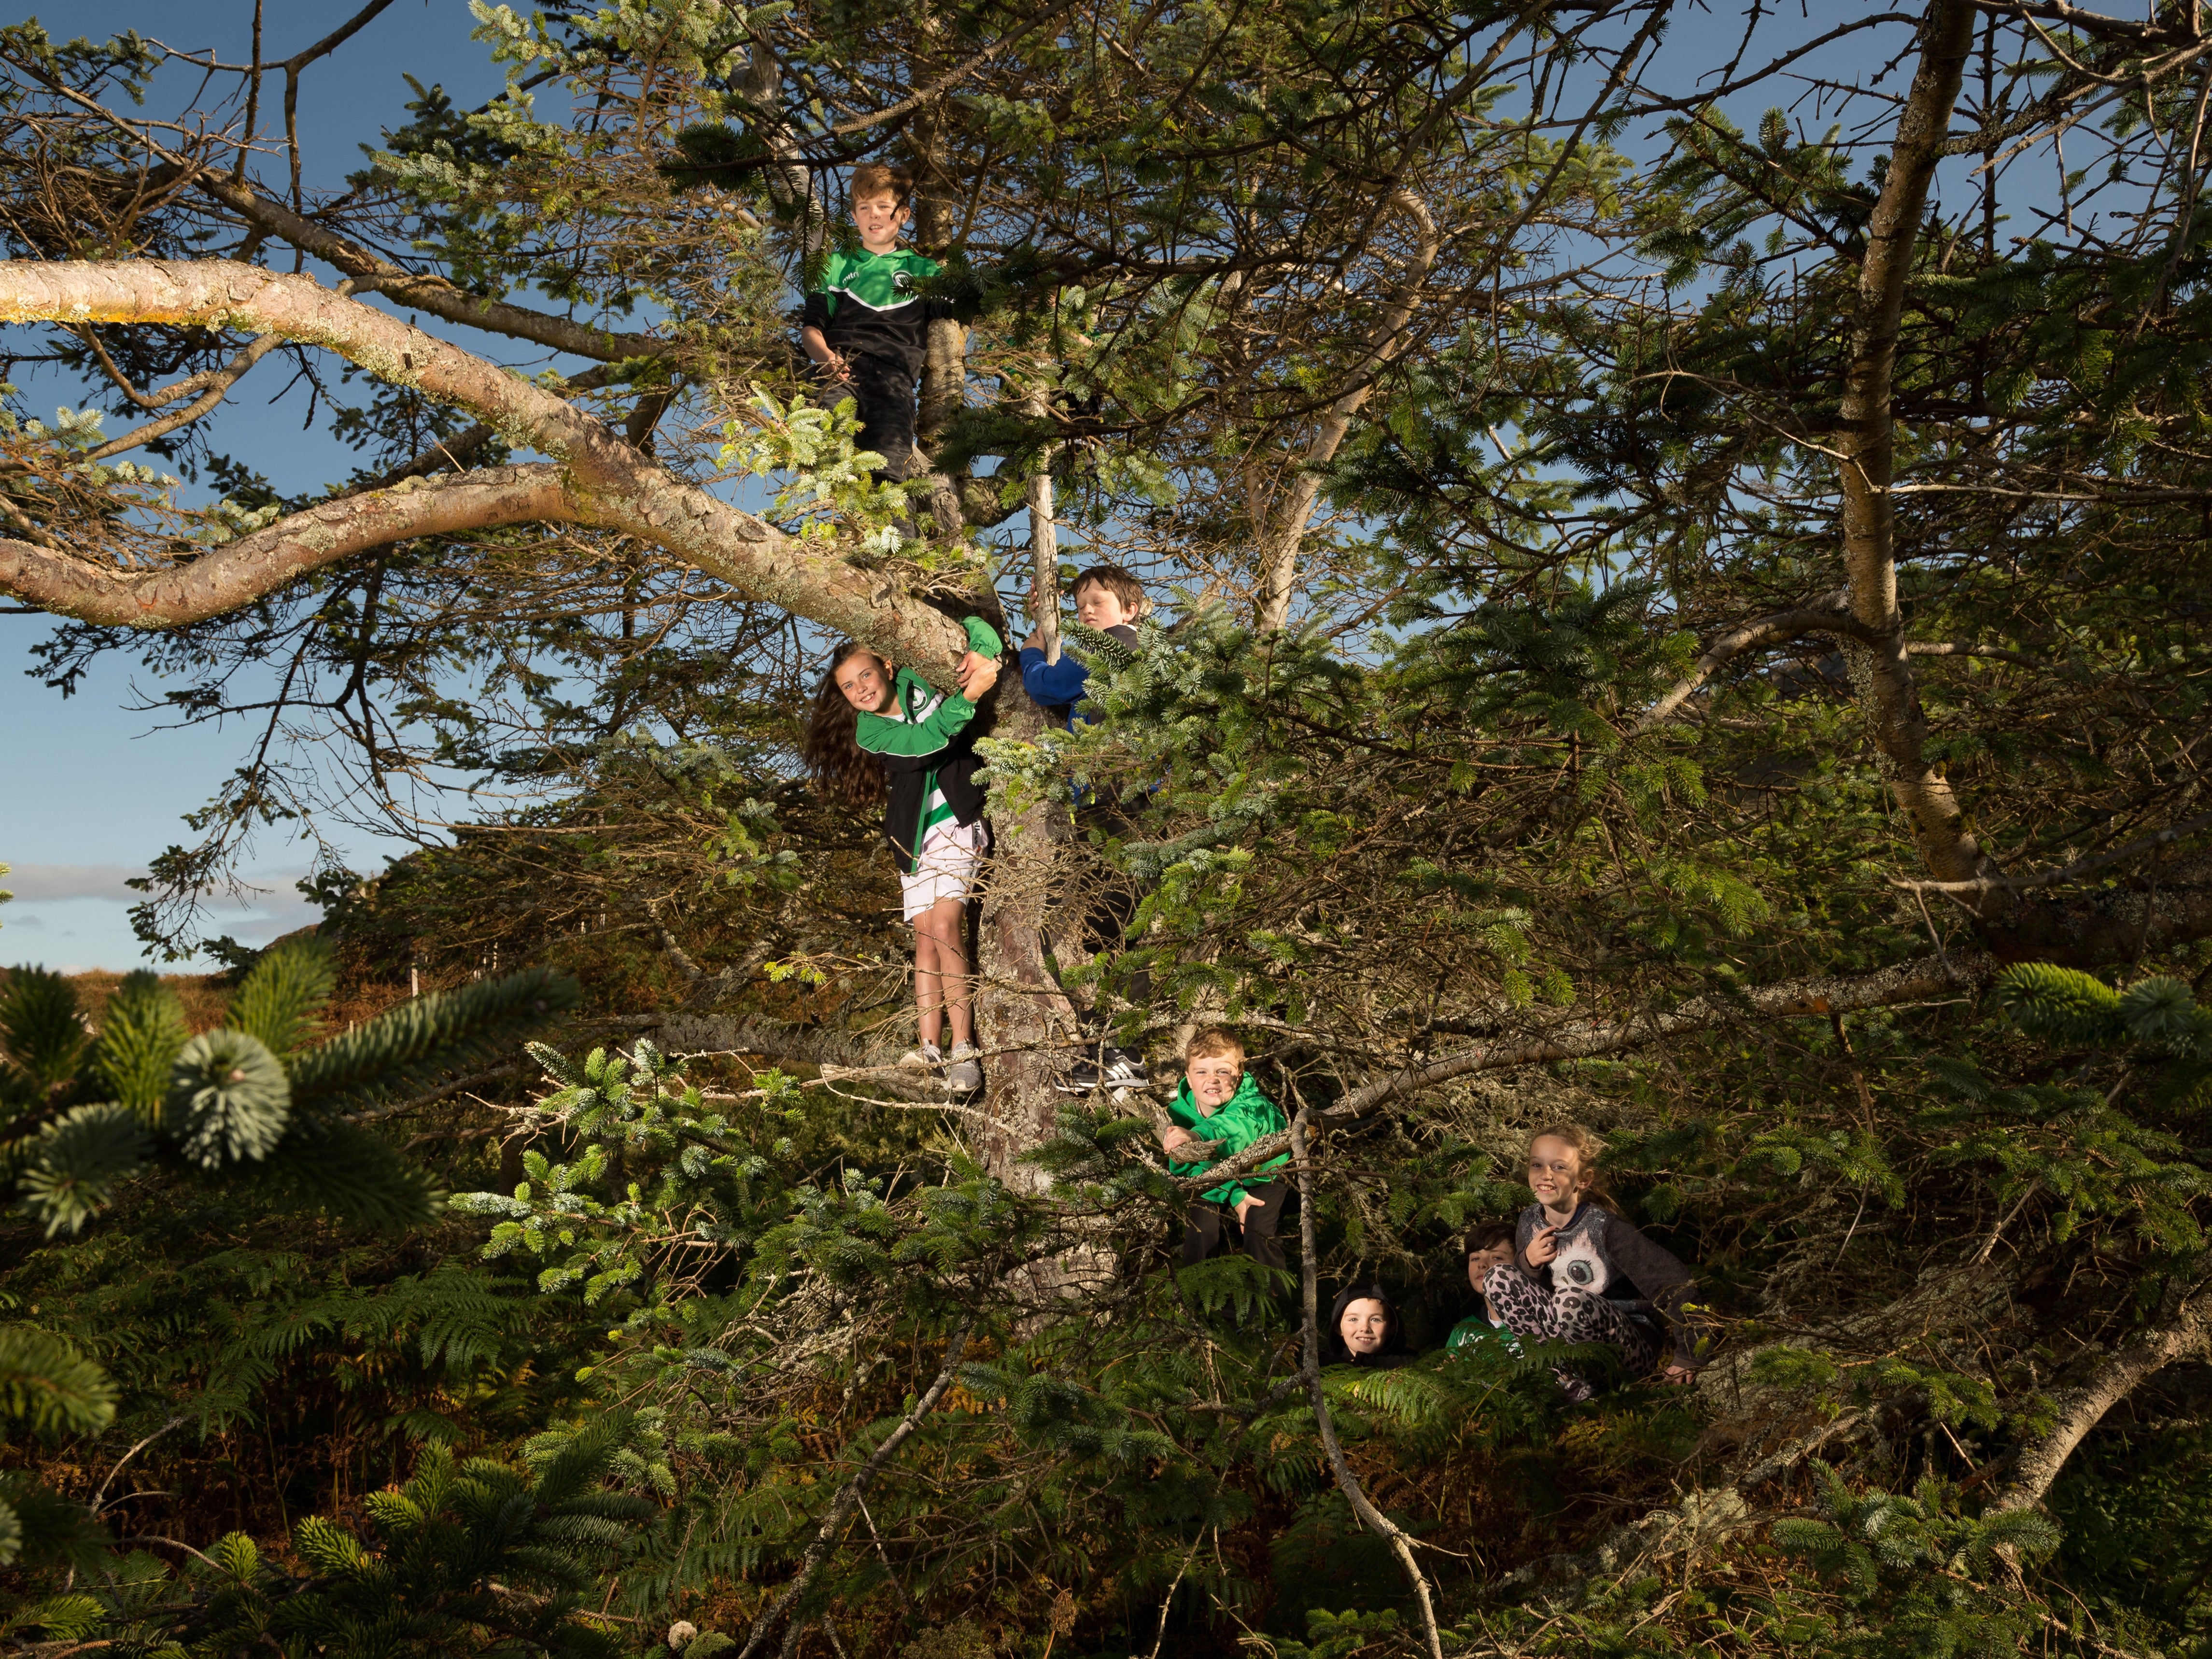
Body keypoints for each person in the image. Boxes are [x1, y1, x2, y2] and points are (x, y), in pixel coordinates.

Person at [803, 618, 1002, 1092]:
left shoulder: (921, 673)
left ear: (887, 666)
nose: (860, 689)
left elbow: (978, 627)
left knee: (946, 927)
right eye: (849, 686)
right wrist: (969, 696)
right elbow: (926, 744)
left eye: (865, 675)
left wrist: (979, 652)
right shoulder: (870, 733)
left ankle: (964, 1050)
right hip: (912, 838)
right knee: (926, 940)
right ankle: (929, 1048)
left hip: (957, 820)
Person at [1021, 563, 1153, 1095]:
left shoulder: (1117, 645)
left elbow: (1046, 686)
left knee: (1112, 924)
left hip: (1120, 799)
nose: (1087, 613)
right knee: (1111, 925)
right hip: (1119, 799)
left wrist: (1032, 647)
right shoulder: (1129, 652)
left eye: (1098, 602)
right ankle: (1111, 1053)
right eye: (1079, 607)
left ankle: (1124, 1053)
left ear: (1130, 610)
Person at [1479, 1122, 1703, 1393]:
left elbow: (1673, 1280)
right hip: (1567, 1344)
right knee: (1498, 1277)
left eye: (1559, 1167)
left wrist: (1690, 1353)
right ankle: (1561, 1379)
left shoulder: (1605, 1228)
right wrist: (1528, 1263)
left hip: (1627, 1346)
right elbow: (1529, 1300)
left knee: (1568, 1301)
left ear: (1583, 1180)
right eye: (1537, 1165)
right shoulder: (1529, 1222)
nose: (1545, 1175)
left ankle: (1599, 1386)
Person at [799, 163, 957, 482]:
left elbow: (963, 304)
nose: (874, 214)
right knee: (822, 442)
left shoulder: (923, 270)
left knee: (890, 475)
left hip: (894, 383)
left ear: (904, 215)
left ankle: (891, 514)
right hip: (841, 368)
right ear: (854, 216)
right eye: (864, 208)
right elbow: (811, 328)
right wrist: (825, 358)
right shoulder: (835, 264)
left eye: (884, 207)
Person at [1160, 1027, 1289, 1270]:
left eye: (1223, 1071)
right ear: (1189, 1078)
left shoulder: (1253, 1106)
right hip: (1213, 1175)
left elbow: (1234, 1130)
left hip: (1263, 1172)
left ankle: (1271, 1291)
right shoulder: (1179, 1115)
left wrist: (1197, 1135)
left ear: (1239, 1075)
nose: (1213, 1079)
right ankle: (1200, 1291)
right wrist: (1234, 1194)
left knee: (1258, 1231)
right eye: (1202, 1072)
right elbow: (1187, 1170)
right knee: (1199, 1230)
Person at [1444, 1221, 1524, 1361]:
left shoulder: (1539, 1323)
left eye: (1497, 1258)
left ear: (1520, 1263)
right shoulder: (1462, 1332)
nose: (1482, 1264)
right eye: (1475, 1258)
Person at [1322, 1282, 1413, 1369]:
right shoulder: (1323, 1366)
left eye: (1375, 1320)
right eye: (1353, 1319)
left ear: (1391, 1327)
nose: (1365, 1328)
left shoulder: (1410, 1365)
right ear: (1338, 1328)